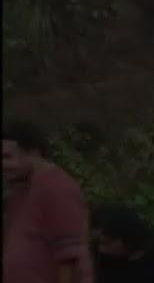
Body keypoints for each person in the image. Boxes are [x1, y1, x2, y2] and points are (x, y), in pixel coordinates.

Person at [2, 120, 93, 283]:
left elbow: (70, 258)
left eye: (7, 157)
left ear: (34, 153)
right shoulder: (20, 191)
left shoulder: (57, 188)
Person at [91, 204, 154, 283]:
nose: (100, 249)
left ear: (127, 238)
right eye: (97, 242)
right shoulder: (100, 256)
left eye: (105, 243)